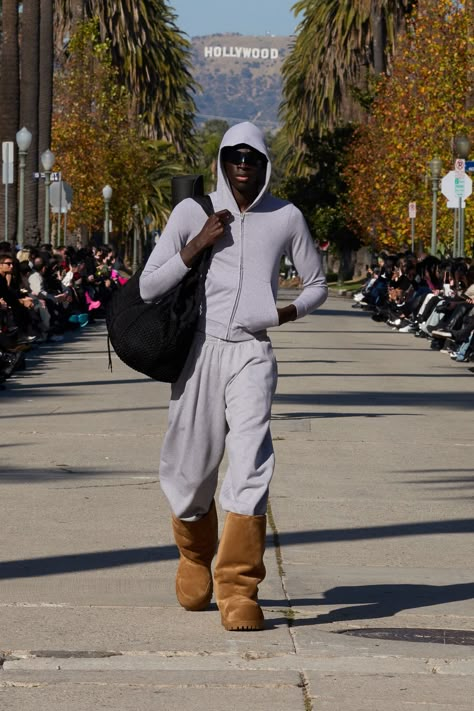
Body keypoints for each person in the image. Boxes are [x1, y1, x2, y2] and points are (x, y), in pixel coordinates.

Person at [139, 122, 328, 631]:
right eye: (235, 154)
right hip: (199, 353)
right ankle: (195, 557)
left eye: (254, 156)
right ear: (222, 159)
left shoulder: (286, 216)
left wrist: (281, 315)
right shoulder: (191, 212)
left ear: (266, 164)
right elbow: (148, 285)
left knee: (250, 462)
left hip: (252, 353)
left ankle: (239, 588)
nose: (244, 162)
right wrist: (197, 244)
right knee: (188, 468)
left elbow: (317, 284)